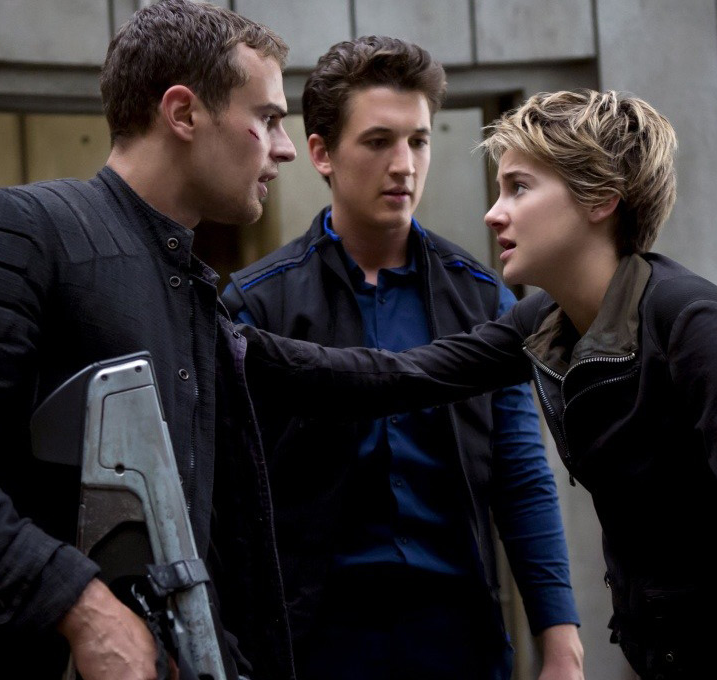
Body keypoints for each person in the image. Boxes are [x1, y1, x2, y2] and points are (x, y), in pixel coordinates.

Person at [240, 90, 717, 680]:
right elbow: (403, 376)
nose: (494, 212)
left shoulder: (693, 324)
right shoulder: (544, 318)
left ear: (600, 198)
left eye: (519, 187)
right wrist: (234, 339)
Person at [0, 2, 298, 678]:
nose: (285, 147)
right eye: (269, 117)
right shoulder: (21, 229)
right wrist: (81, 607)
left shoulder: (190, 292)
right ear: (182, 112)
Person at [221, 37, 583, 680]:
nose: (403, 165)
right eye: (378, 141)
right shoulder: (258, 304)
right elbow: (228, 500)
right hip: (311, 643)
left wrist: (561, 641)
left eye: (418, 141)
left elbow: (521, 476)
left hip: (457, 638)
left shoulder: (483, 299)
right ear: (322, 153)